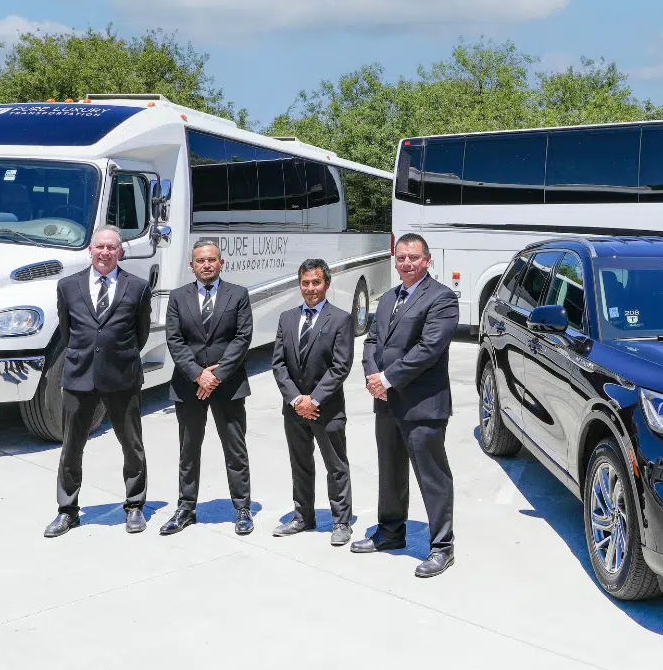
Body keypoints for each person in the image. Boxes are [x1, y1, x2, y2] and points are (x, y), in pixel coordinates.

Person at [355, 233, 460, 578]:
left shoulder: (442, 298)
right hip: (386, 402)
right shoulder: (387, 298)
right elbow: (372, 340)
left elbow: (429, 349)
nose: (406, 263)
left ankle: (442, 547)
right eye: (401, 257)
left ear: (427, 260)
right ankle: (390, 532)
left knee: (432, 477)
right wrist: (373, 376)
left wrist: (386, 379)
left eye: (413, 257)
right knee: (390, 471)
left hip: (422, 405)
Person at [42, 225, 152, 538]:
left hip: (122, 377)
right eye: (100, 247)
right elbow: (68, 331)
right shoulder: (68, 286)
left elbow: (140, 334)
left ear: (120, 252)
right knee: (71, 448)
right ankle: (67, 510)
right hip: (80, 377)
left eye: (112, 248)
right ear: (91, 250)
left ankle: (134, 506)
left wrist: (116, 356)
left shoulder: (138, 287)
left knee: (132, 445)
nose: (105, 253)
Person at [163, 239, 254, 536]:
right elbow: (175, 340)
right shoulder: (177, 297)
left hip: (228, 386)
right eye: (200, 260)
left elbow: (242, 338)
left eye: (212, 259)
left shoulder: (238, 295)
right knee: (188, 450)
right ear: (192, 266)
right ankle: (186, 508)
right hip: (189, 387)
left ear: (221, 263)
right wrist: (197, 375)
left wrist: (215, 377)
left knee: (235, 449)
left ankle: (242, 508)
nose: (206, 265)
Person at [270, 258, 357, 545]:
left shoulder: (341, 319)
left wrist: (314, 399)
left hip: (327, 408)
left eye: (316, 282)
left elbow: (340, 367)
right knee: (300, 463)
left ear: (327, 284)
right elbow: (279, 364)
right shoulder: (286, 319)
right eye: (305, 283)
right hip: (294, 409)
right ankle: (303, 516)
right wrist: (296, 399)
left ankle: (341, 522)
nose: (310, 288)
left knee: (336, 465)